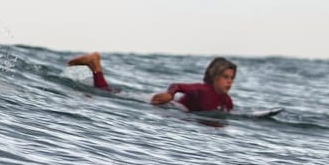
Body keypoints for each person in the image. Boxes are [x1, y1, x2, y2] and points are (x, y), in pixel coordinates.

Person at [66, 52, 237, 112]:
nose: (229, 82)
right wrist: (170, 95)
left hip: (173, 108)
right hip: (161, 103)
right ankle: (95, 65)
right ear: (214, 76)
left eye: (232, 78)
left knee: (113, 92)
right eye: (225, 77)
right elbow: (178, 86)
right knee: (107, 94)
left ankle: (94, 66)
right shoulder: (203, 89)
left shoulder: (226, 100)